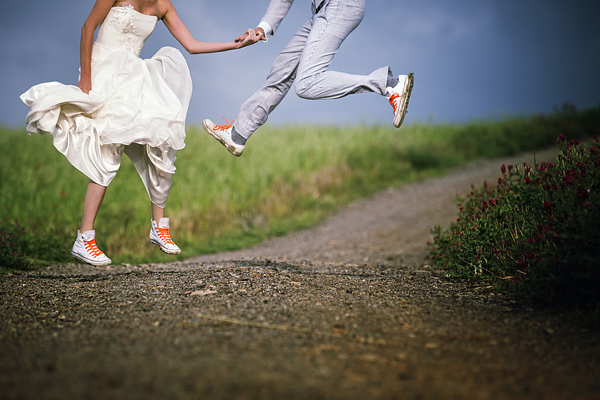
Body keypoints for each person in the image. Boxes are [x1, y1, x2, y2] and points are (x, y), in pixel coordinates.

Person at [20, 0, 256, 266]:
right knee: (109, 153)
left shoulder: (164, 6)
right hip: (103, 73)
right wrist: (85, 77)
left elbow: (192, 45)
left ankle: (158, 227)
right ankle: (85, 238)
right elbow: (88, 28)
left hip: (132, 77)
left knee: (163, 137)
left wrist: (238, 44)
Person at [202, 0, 414, 157]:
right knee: (282, 70)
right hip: (322, 11)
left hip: (341, 5)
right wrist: (262, 28)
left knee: (306, 84)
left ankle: (389, 84)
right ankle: (238, 134)